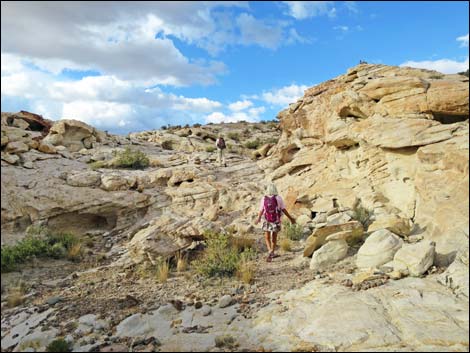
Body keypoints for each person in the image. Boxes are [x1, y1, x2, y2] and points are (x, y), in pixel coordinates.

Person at [255, 183, 295, 262]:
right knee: (274, 236)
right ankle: (272, 252)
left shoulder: (263, 198)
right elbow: (283, 209)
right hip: (276, 220)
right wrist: (291, 218)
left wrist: (258, 218)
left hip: (266, 220)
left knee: (267, 237)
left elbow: (261, 210)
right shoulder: (278, 198)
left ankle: (269, 250)